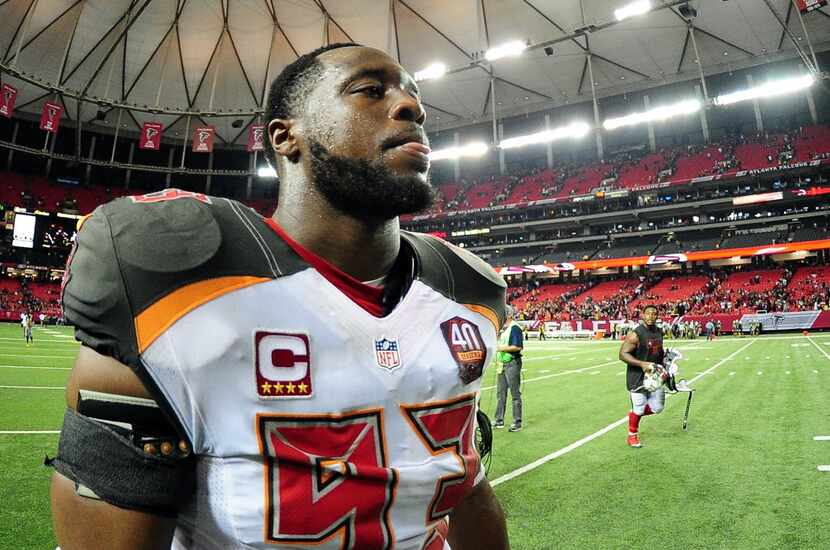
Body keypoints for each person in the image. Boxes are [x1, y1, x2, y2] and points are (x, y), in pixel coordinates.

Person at [50, 43, 510, 550]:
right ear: (286, 136)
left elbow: (466, 486)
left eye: (413, 95)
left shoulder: (465, 291)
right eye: (371, 90)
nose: (411, 107)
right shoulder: (178, 286)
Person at [619, 305, 665, 448]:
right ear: (643, 315)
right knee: (639, 408)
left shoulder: (659, 331)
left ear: (657, 316)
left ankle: (634, 414)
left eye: (654, 314)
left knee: (658, 407)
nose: (651, 316)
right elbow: (622, 354)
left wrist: (665, 365)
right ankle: (632, 435)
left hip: (654, 375)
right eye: (648, 314)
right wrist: (641, 364)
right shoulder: (636, 334)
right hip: (637, 376)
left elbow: (658, 352)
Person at [493, 306, 524, 432]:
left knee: (515, 394)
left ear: (509, 315)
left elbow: (517, 347)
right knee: (501, 394)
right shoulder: (504, 328)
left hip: (512, 363)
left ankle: (517, 422)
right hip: (503, 363)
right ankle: (499, 420)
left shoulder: (515, 327)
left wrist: (500, 348)